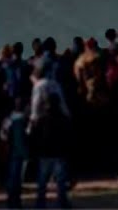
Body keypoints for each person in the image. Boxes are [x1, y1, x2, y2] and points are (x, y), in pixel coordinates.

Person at [29, 63, 72, 208]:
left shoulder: (39, 87)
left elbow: (35, 109)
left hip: (45, 150)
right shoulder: (55, 84)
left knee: (42, 177)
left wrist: (31, 126)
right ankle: (62, 201)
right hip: (59, 151)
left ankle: (40, 201)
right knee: (60, 178)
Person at [0, 97, 29, 209]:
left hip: (14, 152)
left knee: (13, 178)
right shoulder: (25, 119)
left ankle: (12, 201)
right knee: (17, 179)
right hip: (20, 152)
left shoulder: (9, 119)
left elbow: (3, 135)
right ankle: (15, 201)